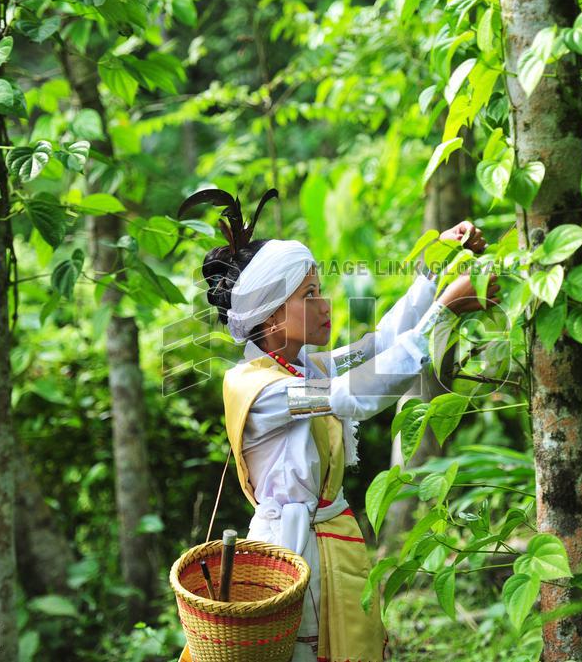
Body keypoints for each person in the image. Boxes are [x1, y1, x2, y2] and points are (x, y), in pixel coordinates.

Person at [194, 188, 499, 662]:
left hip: (328, 542)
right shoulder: (260, 389)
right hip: (290, 553)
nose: (325, 304)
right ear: (272, 316)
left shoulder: (303, 367)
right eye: (309, 295)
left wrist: (435, 266)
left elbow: (379, 344)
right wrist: (446, 312)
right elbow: (352, 395)